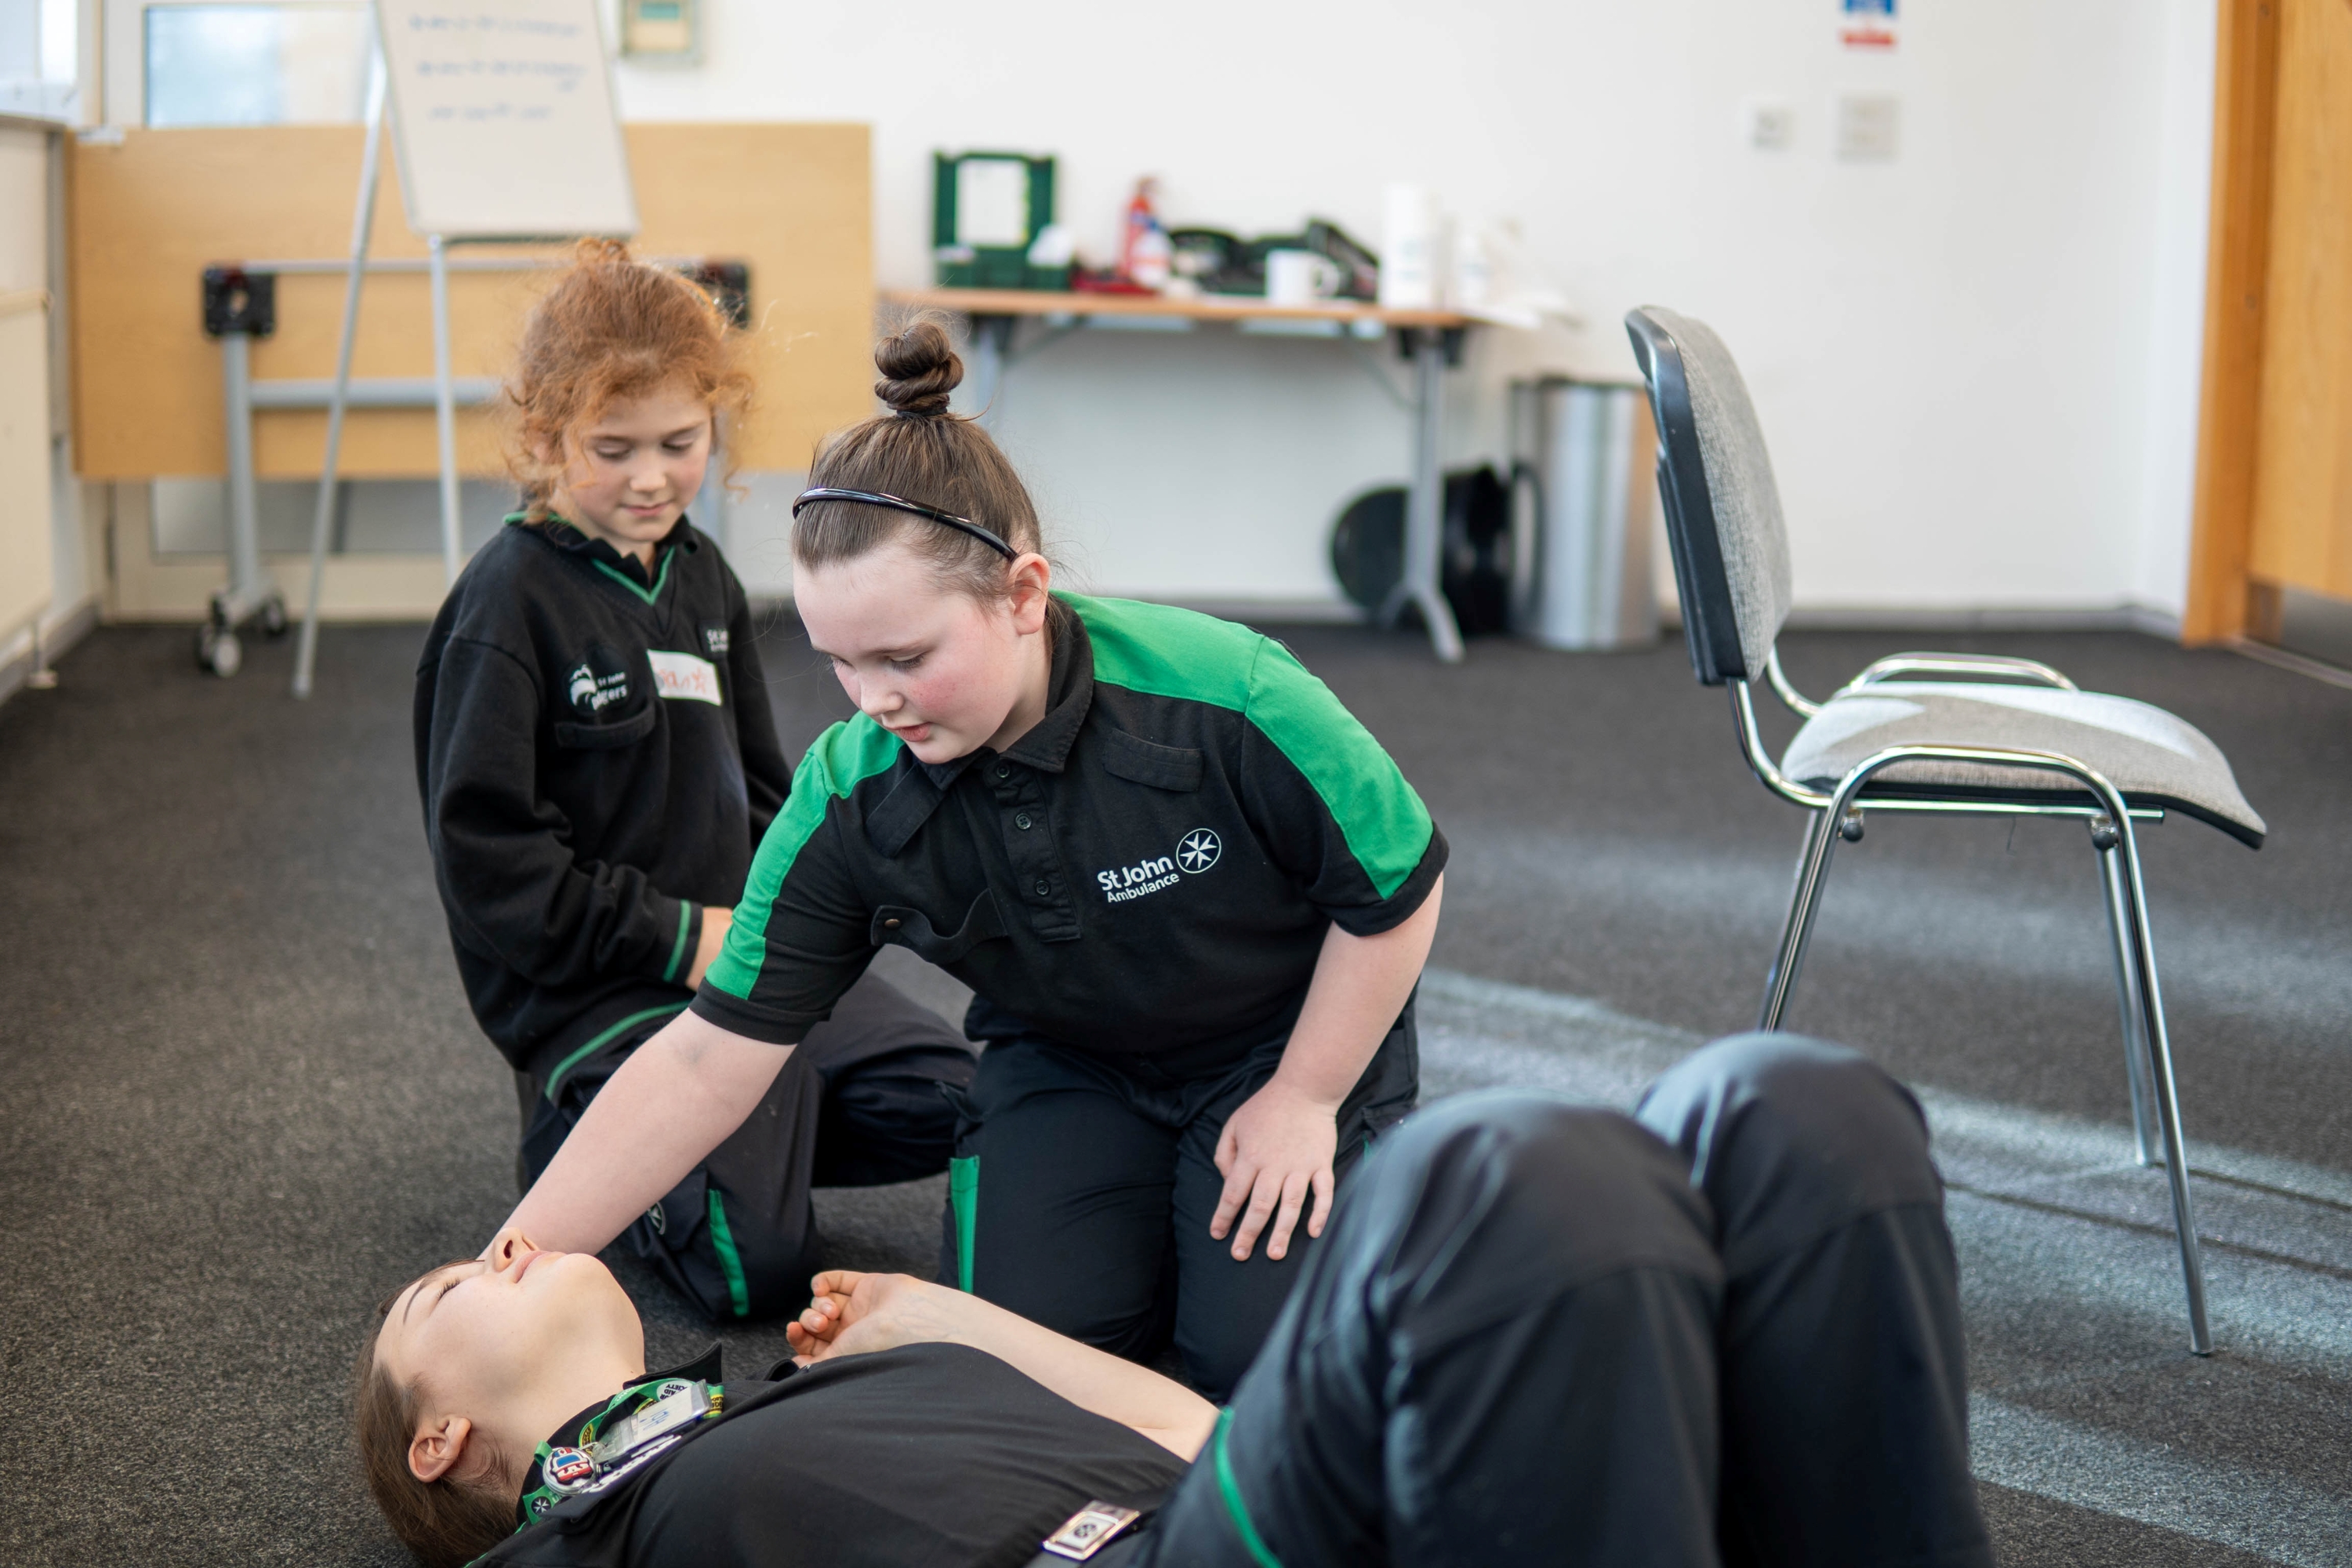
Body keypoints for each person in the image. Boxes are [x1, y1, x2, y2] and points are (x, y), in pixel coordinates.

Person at [483, 318, 1448, 1398]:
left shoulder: (1230, 693)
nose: (873, 700)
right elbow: (710, 1059)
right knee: (1013, 1365)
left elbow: (1397, 894)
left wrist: (1308, 1097)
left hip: (1277, 1048)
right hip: (1068, 1059)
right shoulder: (852, 789)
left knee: (1261, 1373)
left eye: (905, 657)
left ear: (1023, 596)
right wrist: (503, 1271)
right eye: (839, 662)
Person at [357, 1033, 1995, 1568]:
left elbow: (1193, 1424)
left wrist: (955, 1319)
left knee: (1789, 1113)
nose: (498, 1250)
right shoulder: (590, 1538)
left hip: (1237, 1513)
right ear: (442, 1445)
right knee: (1493, 1184)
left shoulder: (779, 1393)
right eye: (451, 1282)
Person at [412, 242, 975, 1324]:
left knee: (959, 1096)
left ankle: (747, 1110)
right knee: (752, 1271)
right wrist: (684, 939)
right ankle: (590, 1128)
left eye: (680, 443)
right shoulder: (504, 609)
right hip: (600, 998)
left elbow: (768, 791)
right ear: (542, 441)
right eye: (611, 448)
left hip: (742, 963)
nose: (651, 477)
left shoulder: (701, 573)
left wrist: (806, 930)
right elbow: (494, 870)